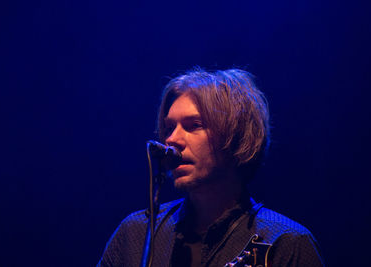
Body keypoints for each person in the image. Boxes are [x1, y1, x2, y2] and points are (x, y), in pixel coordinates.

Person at [97, 68, 324, 267]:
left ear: (235, 136)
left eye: (194, 126)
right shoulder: (136, 235)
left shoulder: (284, 242)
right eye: (168, 127)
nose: (171, 140)